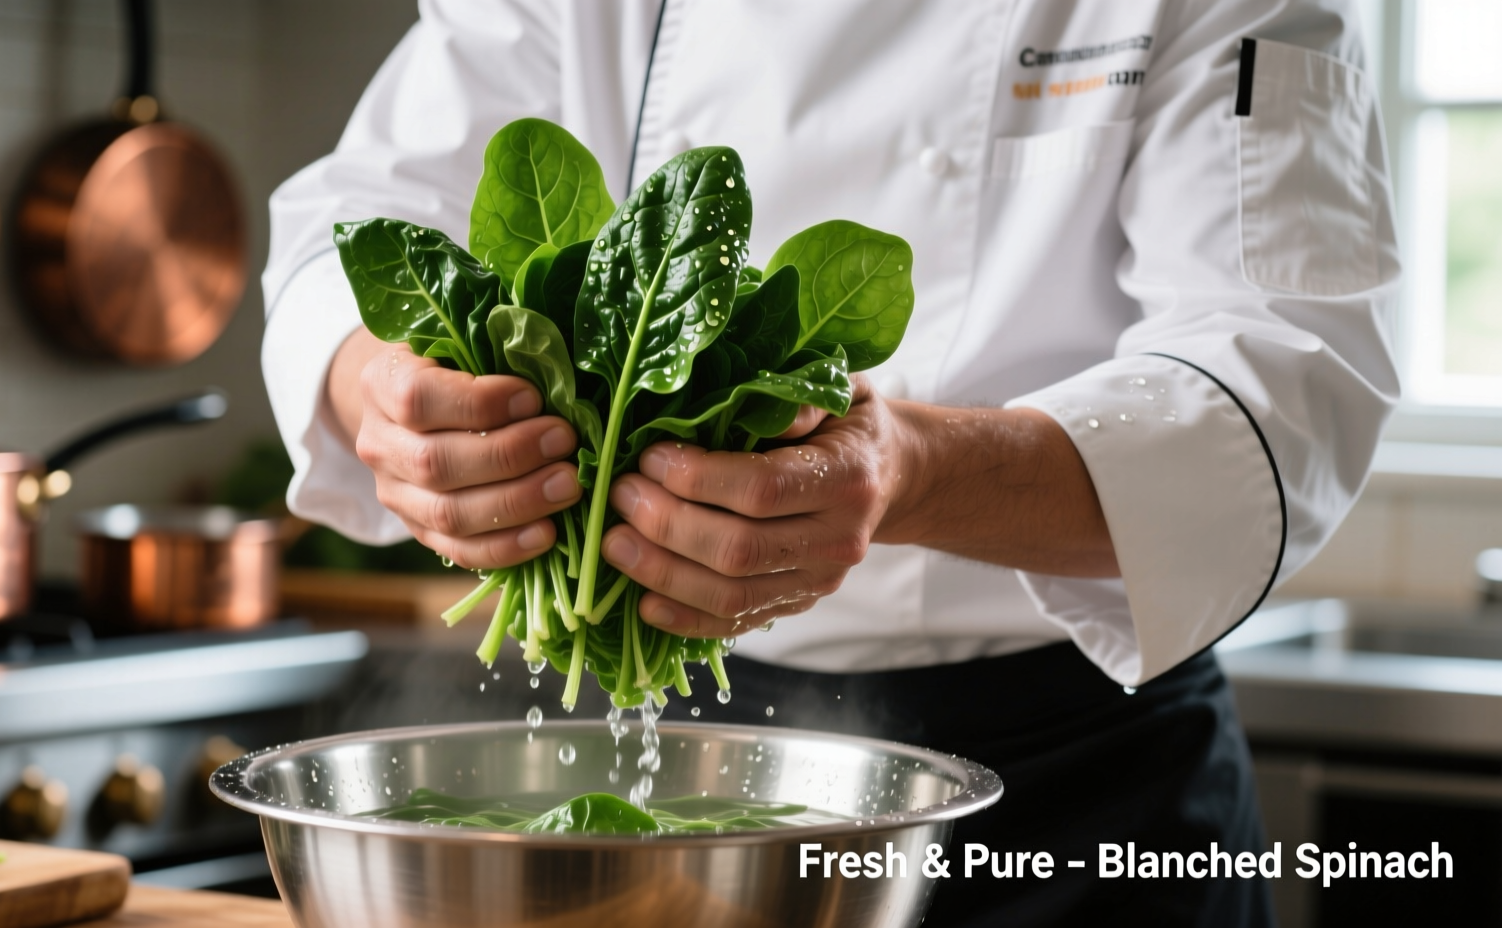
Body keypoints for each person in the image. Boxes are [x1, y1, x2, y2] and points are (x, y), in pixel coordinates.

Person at [261, 1, 1398, 924]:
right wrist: (384, 390)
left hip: (1084, 787)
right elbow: (352, 223)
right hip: (702, 764)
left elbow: (1279, 385)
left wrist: (909, 468)